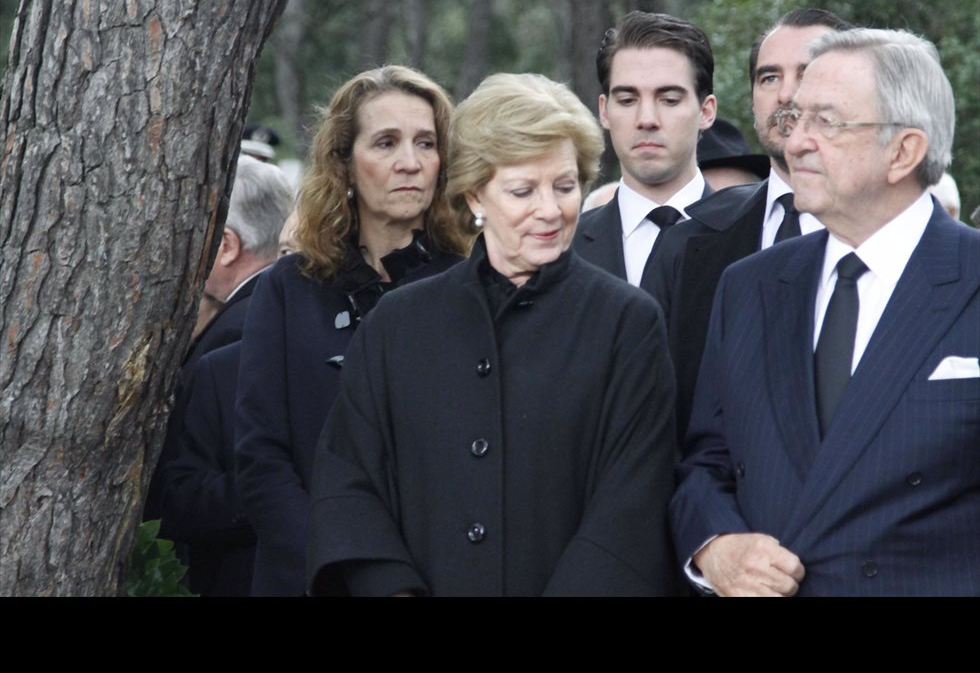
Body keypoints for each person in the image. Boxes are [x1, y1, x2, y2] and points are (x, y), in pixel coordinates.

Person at [307, 73, 678, 597]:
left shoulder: (628, 323)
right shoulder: (398, 323)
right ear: (476, 193)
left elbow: (633, 504)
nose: (550, 210)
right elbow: (349, 482)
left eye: (566, 186)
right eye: (523, 190)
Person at [671, 28, 980, 596]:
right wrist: (715, 546)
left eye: (826, 122)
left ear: (903, 151)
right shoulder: (749, 286)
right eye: (794, 121)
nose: (795, 144)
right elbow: (706, 462)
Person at [235, 66, 465, 596]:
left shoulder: (474, 286)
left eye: (426, 143)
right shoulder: (288, 290)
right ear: (344, 162)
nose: (410, 162)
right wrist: (342, 570)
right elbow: (261, 459)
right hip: (309, 576)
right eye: (386, 143)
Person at [647, 9, 852, 441]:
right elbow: (658, 423)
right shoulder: (686, 245)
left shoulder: (900, 237)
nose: (786, 94)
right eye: (769, 78)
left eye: (808, 73)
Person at [145, 155, 293, 521]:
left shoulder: (242, 329)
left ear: (226, 245)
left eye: (193, 233)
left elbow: (241, 473)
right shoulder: (280, 310)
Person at [574, 11, 717, 295]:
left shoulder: (753, 236)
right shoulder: (564, 248)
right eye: (627, 100)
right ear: (604, 111)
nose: (647, 118)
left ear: (706, 111)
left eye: (669, 100)